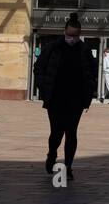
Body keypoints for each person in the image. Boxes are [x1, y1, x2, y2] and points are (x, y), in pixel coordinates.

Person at [33, 13, 95, 181]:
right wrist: (43, 88)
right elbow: (38, 68)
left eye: (75, 35)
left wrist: (87, 96)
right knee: (56, 132)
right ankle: (52, 154)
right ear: (64, 31)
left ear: (79, 34)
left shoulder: (84, 50)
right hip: (55, 98)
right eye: (69, 35)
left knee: (71, 133)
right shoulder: (53, 47)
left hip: (76, 99)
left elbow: (91, 75)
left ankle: (67, 167)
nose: (71, 38)